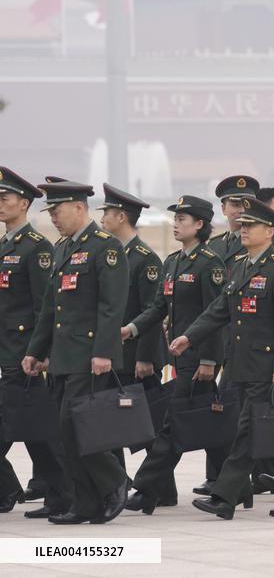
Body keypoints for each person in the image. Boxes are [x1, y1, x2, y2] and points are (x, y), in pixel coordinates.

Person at [173, 197, 274, 519]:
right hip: (240, 364)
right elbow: (218, 311)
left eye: (250, 226)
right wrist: (189, 336)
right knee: (270, 433)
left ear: (269, 231)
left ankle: (225, 497)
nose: (243, 230)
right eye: (242, 225)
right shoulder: (240, 266)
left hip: (266, 368)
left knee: (248, 432)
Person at [24, 180, 130, 524]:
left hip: (89, 355)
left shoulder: (105, 248)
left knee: (76, 426)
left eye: (57, 210)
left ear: (79, 208)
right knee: (65, 432)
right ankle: (85, 504)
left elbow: (111, 307)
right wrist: (35, 350)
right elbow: (50, 308)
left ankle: (115, 482)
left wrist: (104, 352)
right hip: (63, 356)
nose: (53, 217)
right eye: (51, 212)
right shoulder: (63, 248)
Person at [122, 195, 228, 514]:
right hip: (179, 356)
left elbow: (216, 316)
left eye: (183, 219)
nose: (176, 224)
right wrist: (132, 329)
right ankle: (235, 486)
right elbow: (157, 307)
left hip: (198, 359)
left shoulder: (210, 264)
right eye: (175, 219)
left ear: (199, 225)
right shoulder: (172, 262)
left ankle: (146, 489)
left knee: (172, 424)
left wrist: (210, 360)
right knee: (213, 425)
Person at [0, 167, 69, 520]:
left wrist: (39, 352)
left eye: (5, 198)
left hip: (22, 354)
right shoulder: (6, 245)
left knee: (35, 431)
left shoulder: (37, 249)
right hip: (7, 353)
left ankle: (14, 488)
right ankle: (60, 493)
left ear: (24, 203)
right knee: (37, 432)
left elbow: (46, 306)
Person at [198, 174, 259, 496]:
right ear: (223, 208)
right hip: (217, 336)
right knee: (217, 410)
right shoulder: (217, 246)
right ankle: (217, 476)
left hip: (249, 342)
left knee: (244, 412)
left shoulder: (266, 246)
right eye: (233, 204)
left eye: (245, 204)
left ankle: (243, 478)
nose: (238, 211)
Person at [98, 184, 166, 387]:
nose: (101, 220)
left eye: (106, 213)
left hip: (134, 358)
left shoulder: (145, 259)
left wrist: (144, 357)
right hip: (112, 356)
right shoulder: (108, 255)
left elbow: (153, 311)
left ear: (121, 217)